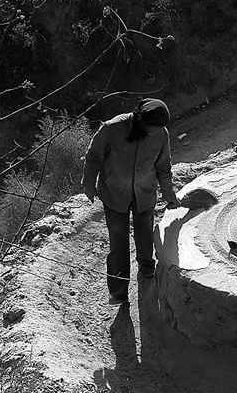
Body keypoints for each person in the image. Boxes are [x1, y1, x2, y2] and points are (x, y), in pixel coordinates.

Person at [82, 98, 180, 305]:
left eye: (158, 128)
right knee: (118, 242)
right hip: (114, 193)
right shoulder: (112, 129)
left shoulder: (161, 134)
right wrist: (88, 184)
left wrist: (168, 193)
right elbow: (93, 157)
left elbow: (164, 167)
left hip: (144, 193)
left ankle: (146, 268)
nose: (155, 132)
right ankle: (118, 292)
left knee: (145, 234)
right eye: (152, 128)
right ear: (141, 121)